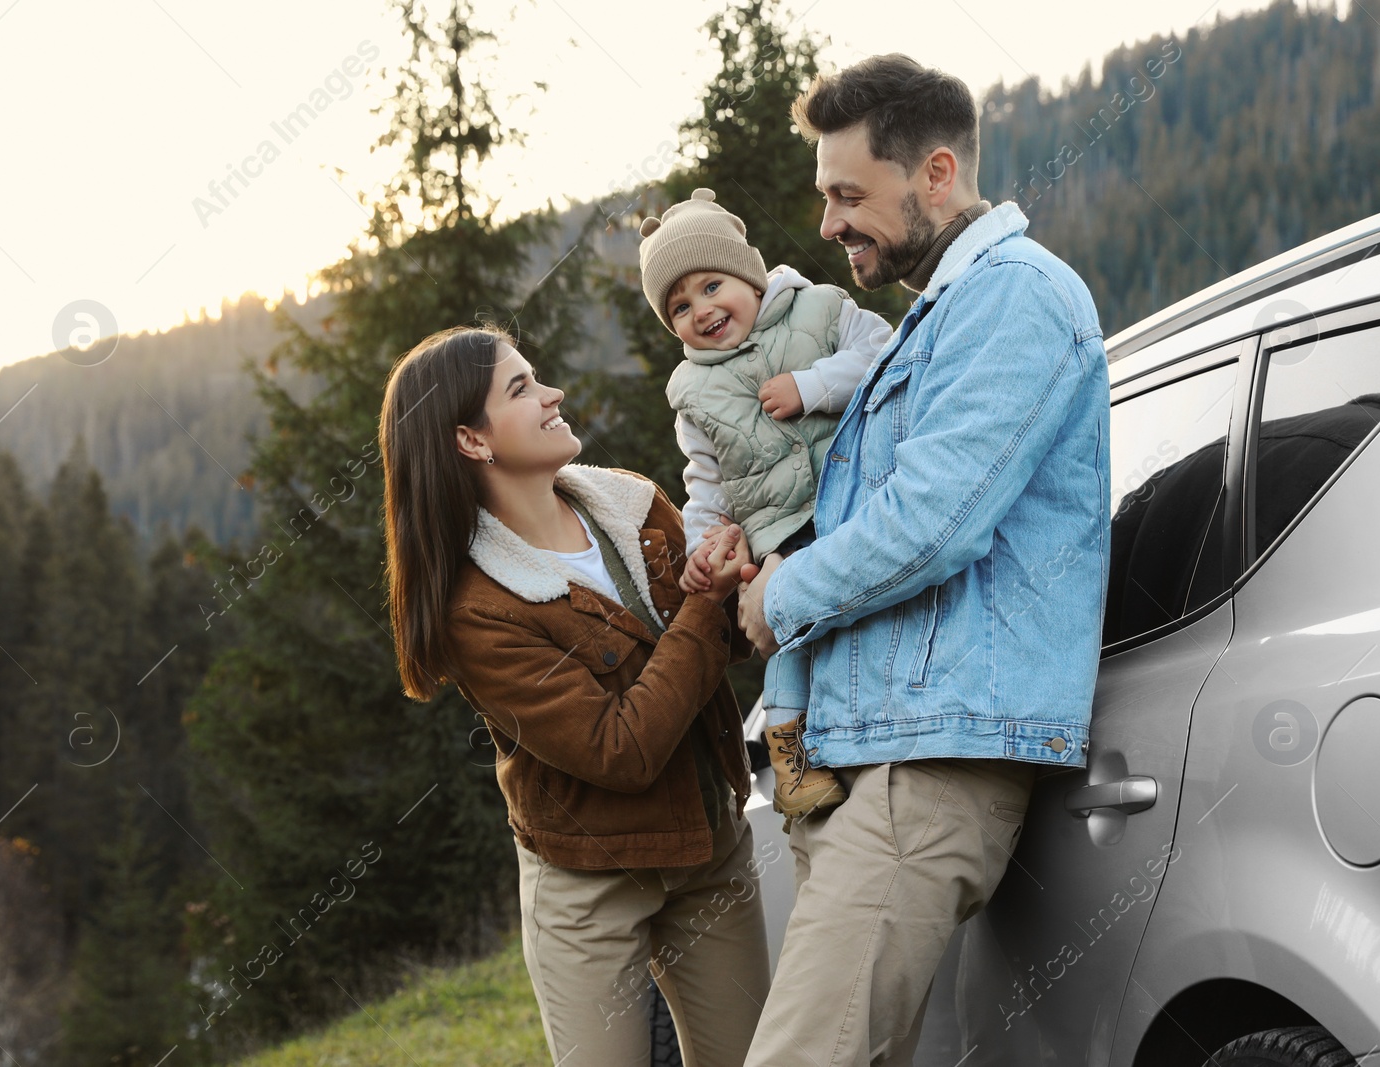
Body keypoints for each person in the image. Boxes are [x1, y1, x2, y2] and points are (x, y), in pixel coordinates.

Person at [734, 55, 1112, 1065]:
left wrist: (786, 592)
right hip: (877, 749)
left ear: (936, 174)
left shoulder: (1017, 296)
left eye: (848, 194)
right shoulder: (940, 314)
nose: (827, 225)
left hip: (925, 763)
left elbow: (933, 522)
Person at [378, 326, 771, 1067]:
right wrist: (702, 607)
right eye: (521, 389)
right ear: (470, 439)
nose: (552, 393)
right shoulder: (476, 608)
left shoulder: (632, 504)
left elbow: (732, 641)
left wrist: (740, 573)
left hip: (711, 849)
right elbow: (620, 749)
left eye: (538, 377)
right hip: (590, 888)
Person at [637, 187, 893, 827]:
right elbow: (707, 483)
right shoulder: (693, 391)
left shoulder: (821, 308)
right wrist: (708, 546)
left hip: (857, 499)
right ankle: (793, 761)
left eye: (712, 284)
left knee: (863, 613)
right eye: (680, 306)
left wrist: (814, 387)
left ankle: (883, 715)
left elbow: (888, 357)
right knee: (785, 638)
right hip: (778, 527)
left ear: (750, 275)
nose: (702, 309)